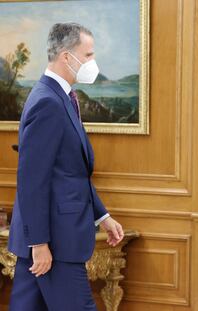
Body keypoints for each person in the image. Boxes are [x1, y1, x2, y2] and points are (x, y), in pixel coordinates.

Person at [8, 23, 124, 311]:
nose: (92, 63)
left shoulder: (63, 98)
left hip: (51, 238)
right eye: (88, 55)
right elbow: (32, 181)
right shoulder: (47, 102)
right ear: (66, 57)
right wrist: (39, 244)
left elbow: (71, 172)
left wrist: (102, 216)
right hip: (54, 244)